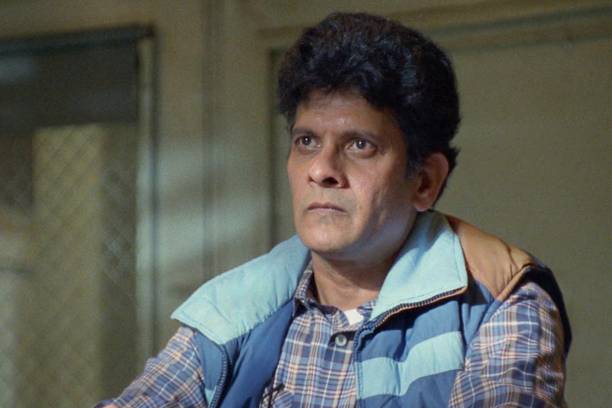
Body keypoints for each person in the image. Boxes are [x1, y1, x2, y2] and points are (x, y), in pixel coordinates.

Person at [98, 12, 571, 408]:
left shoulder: (498, 299)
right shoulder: (236, 307)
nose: (321, 170)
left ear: (425, 181)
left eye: (359, 145)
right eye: (306, 141)